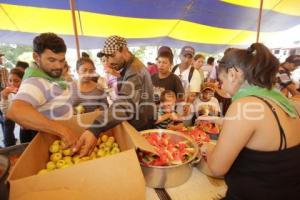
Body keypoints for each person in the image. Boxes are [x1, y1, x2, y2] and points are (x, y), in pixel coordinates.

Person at [201, 43, 300, 199]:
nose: (223, 87)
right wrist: (220, 120)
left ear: (233, 74)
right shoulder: (282, 101)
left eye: (222, 80)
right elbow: (262, 131)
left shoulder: (245, 105)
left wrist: (208, 147)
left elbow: (216, 168)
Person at [73, 35, 155, 156]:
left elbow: (125, 104)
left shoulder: (135, 71)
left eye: (112, 55)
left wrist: (96, 127)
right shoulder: (128, 68)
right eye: (107, 56)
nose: (110, 61)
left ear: (124, 49)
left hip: (142, 124)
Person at [6, 33, 79, 148]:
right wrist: (63, 131)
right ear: (36, 57)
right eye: (51, 60)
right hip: (52, 145)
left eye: (61, 60)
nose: (58, 66)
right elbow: (15, 110)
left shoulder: (53, 77)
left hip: (64, 144)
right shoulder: (35, 82)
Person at [0, 68, 23, 146]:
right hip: (13, 119)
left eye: (16, 81)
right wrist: (4, 98)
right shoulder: (8, 93)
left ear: (23, 81)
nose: (12, 84)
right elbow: (5, 111)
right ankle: (9, 146)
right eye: (10, 80)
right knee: (8, 131)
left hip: (27, 124)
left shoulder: (26, 92)